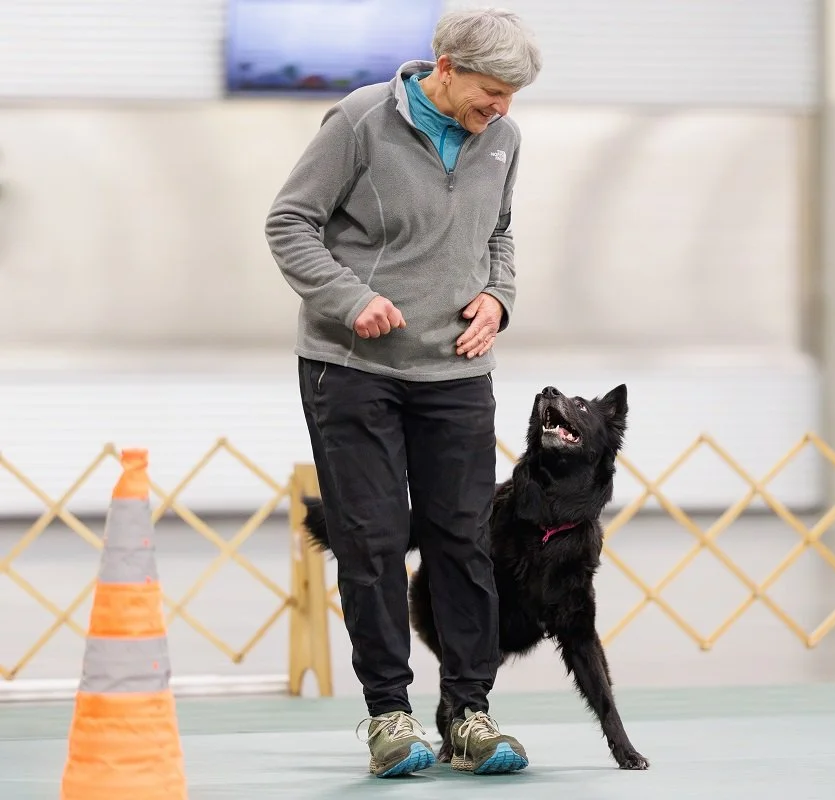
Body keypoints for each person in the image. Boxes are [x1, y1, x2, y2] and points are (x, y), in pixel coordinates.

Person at [264, 7, 542, 779]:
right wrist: (349, 296)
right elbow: (290, 223)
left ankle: (468, 715)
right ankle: (389, 713)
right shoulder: (358, 121)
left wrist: (498, 299)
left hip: (456, 373)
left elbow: (500, 234)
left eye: (513, 96)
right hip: (351, 368)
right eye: (490, 91)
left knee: (464, 541)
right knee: (374, 541)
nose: (502, 110)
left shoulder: (504, 140)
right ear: (443, 69)